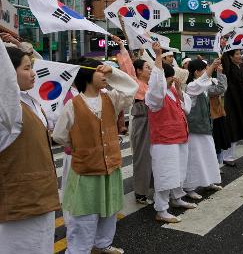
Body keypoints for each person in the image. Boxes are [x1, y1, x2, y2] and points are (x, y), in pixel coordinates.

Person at [52, 57, 138, 254]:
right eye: (100, 71)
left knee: (109, 210)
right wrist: (80, 145)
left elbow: (132, 87)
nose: (104, 75)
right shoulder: (73, 105)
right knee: (84, 215)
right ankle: (78, 250)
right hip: (86, 170)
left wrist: (113, 73)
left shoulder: (111, 98)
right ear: (87, 75)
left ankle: (103, 244)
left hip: (110, 166)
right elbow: (59, 135)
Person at [0, 45, 60, 254]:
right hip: (20, 203)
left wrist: (26, 50)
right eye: (26, 68)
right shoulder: (7, 112)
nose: (33, 73)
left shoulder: (30, 101)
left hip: (40, 198)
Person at [146, 43, 196, 223]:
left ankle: (177, 198)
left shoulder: (173, 91)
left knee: (178, 171)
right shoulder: (155, 96)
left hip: (179, 137)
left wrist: (180, 90)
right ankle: (161, 209)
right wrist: (158, 56)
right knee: (165, 174)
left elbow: (186, 109)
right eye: (169, 78)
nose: (171, 81)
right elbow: (156, 88)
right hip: (164, 140)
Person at [115, 36, 153, 204]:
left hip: (154, 123)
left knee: (154, 157)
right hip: (142, 122)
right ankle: (140, 192)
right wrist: (122, 47)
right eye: (147, 68)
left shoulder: (152, 85)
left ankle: (151, 187)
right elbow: (127, 66)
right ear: (138, 71)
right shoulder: (134, 82)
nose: (150, 70)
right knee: (142, 157)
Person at [183, 58, 225, 200]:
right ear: (196, 72)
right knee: (194, 159)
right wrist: (212, 66)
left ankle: (208, 182)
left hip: (205, 128)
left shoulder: (203, 85)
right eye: (204, 69)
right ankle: (189, 188)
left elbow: (221, 88)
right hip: (195, 130)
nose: (207, 72)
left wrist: (219, 72)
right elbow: (202, 82)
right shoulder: (191, 86)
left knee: (208, 156)